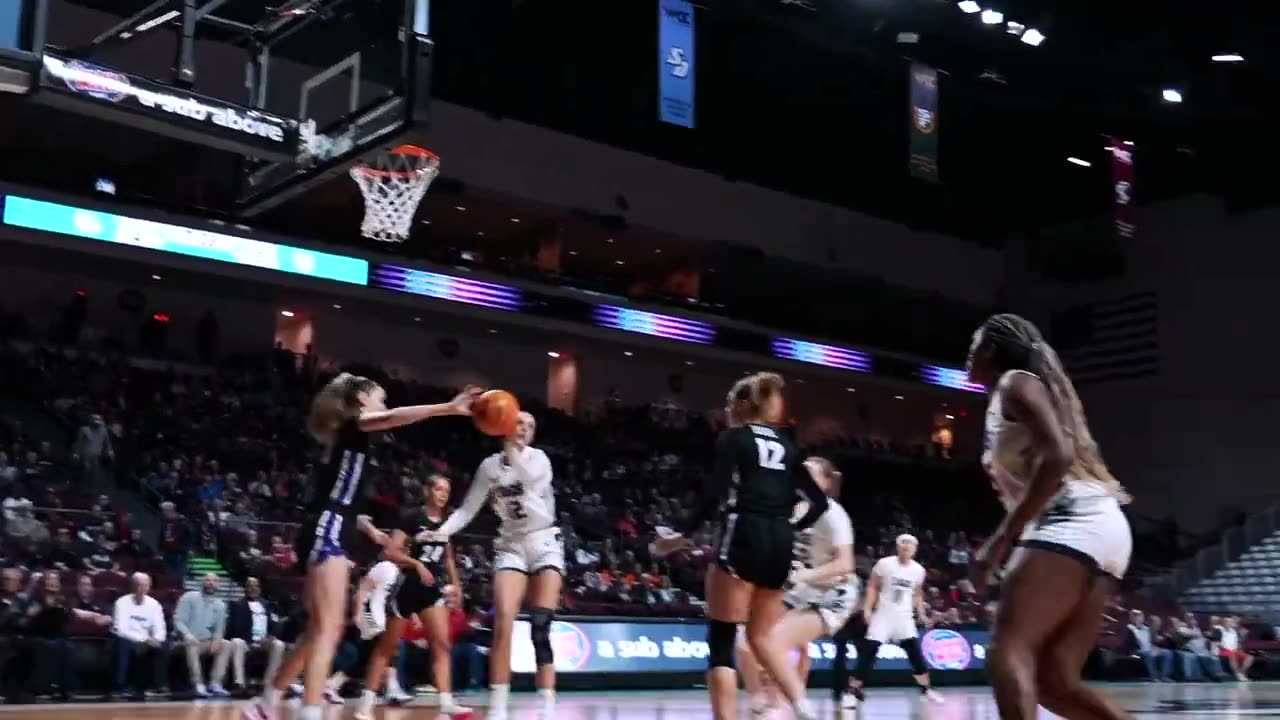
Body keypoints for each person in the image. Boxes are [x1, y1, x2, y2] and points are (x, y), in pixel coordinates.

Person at [245, 374, 478, 720]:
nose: (383, 405)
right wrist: (447, 407)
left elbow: (341, 496)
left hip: (329, 524)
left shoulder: (344, 438)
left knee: (317, 628)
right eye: (379, 398)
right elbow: (392, 417)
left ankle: (267, 702)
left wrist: (369, 528)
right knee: (328, 628)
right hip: (331, 527)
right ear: (359, 402)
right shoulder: (354, 425)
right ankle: (310, 711)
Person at [966, 313, 1134, 720]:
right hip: (1101, 527)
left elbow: (1057, 455)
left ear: (991, 350)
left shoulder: (1014, 382)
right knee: (1053, 682)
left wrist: (1001, 539)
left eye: (973, 345)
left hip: (1072, 520)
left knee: (1009, 650)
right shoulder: (1014, 392)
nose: (967, 354)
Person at [652, 372, 827, 720]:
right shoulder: (789, 446)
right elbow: (818, 503)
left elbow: (714, 494)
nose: (728, 411)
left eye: (731, 405)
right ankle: (803, 707)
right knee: (762, 638)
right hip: (780, 541)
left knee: (721, 640)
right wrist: (792, 526)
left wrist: (680, 536)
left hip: (745, 532)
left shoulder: (734, 438)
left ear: (745, 405)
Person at [431, 412, 562, 720]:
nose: (525, 430)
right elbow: (467, 510)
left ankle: (547, 706)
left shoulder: (539, 459)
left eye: (531, 426)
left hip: (544, 541)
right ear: (504, 426)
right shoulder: (489, 467)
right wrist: (441, 532)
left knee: (540, 627)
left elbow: (529, 479)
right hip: (511, 545)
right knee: (502, 621)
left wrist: (512, 452)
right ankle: (499, 706)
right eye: (520, 423)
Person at [737, 457, 856, 716]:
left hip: (832, 593)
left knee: (774, 644)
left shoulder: (834, 515)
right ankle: (759, 701)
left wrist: (807, 575)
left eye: (810, 475)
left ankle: (787, 706)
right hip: (797, 590)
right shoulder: (788, 508)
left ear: (825, 483)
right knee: (745, 644)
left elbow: (845, 564)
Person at [355, 474, 468, 719]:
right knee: (387, 647)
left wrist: (456, 584)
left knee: (441, 645)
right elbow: (391, 551)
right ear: (427, 490)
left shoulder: (448, 522)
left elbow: (447, 556)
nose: (442, 494)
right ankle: (366, 704)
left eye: (446, 490)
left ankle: (447, 702)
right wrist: (416, 564)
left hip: (432, 589)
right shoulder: (411, 517)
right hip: (407, 586)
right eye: (438, 488)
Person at [847, 535, 942, 709]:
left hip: (904, 617)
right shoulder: (884, 564)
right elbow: (872, 586)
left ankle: (926, 689)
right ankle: (853, 692)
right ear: (898, 547)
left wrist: (921, 613)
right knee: (868, 652)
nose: (906, 549)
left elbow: (918, 593)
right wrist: (867, 609)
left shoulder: (918, 570)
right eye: (903, 546)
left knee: (915, 654)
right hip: (883, 615)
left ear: (915, 549)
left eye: (910, 547)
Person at [111, 572, 171, 700]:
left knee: (164, 644)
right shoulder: (121, 602)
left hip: (148, 641)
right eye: (138, 585)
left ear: (149, 587)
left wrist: (157, 639)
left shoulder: (154, 604)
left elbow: (160, 628)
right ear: (132, 586)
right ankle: (121, 686)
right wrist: (143, 639)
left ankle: (160, 686)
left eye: (145, 585)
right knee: (122, 643)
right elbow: (120, 629)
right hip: (129, 639)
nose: (142, 588)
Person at [175, 573, 232, 697]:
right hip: (186, 640)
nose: (211, 583)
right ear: (202, 583)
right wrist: (187, 634)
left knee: (226, 644)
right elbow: (178, 621)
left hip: (205, 642)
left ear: (218, 585)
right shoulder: (189, 597)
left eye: (214, 581)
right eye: (208, 580)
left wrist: (216, 641)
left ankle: (215, 683)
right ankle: (198, 684)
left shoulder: (221, 605)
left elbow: (219, 629)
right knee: (191, 643)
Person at [226, 577, 286, 692]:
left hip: (264, 642)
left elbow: (275, 625)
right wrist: (251, 641)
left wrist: (271, 637)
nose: (253, 588)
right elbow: (234, 628)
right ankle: (239, 683)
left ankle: (267, 683)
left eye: (256, 586)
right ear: (245, 589)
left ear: (260, 589)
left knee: (279, 644)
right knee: (236, 642)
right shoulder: (237, 605)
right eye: (250, 585)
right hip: (246, 641)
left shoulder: (268, 605)